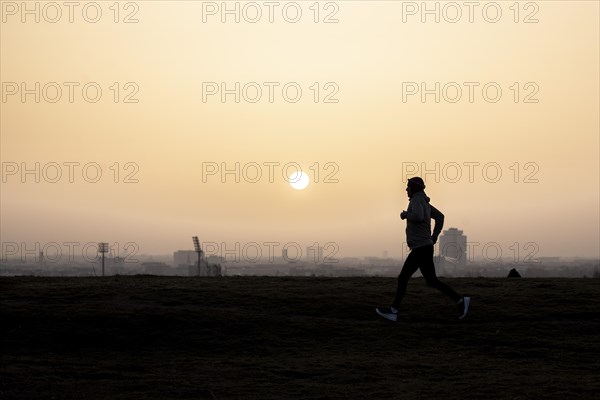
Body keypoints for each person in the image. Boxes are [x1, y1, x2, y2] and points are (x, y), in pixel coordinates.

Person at [376, 177, 470, 321]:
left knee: (403, 278)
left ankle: (393, 311)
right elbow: (440, 217)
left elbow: (418, 217)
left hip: (420, 248)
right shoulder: (424, 202)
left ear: (414, 187)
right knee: (431, 281)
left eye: (408, 186)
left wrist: (406, 215)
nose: (406, 189)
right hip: (425, 247)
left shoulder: (416, 200)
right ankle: (460, 301)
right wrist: (434, 236)